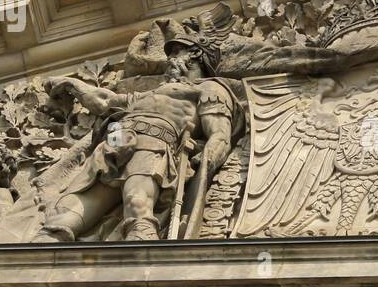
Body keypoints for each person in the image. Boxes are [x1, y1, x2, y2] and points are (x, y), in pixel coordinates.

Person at [33, 34, 239, 242]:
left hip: (153, 143)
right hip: (115, 140)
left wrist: (203, 164)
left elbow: (220, 135)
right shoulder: (151, 94)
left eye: (176, 52)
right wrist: (72, 85)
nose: (169, 60)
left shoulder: (210, 88)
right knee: (66, 214)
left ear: (195, 54)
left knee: (137, 204)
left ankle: (142, 259)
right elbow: (106, 101)